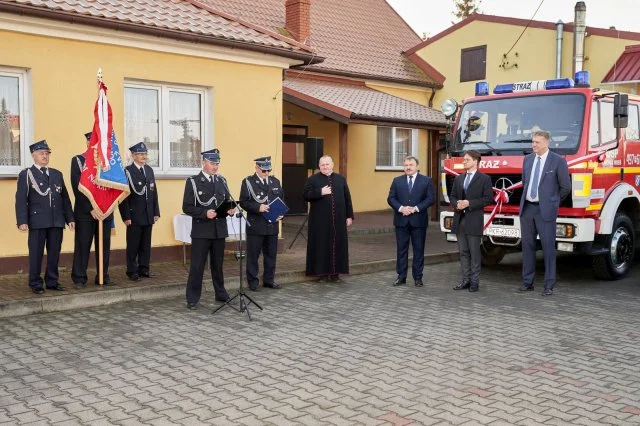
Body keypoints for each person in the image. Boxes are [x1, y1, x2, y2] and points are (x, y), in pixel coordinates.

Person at [15, 140, 75, 294]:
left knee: (54, 252)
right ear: (33, 155)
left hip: (56, 220)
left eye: (47, 153)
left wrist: (70, 218)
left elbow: (65, 199)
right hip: (37, 221)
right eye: (41, 153)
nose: (45, 156)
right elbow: (21, 199)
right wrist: (22, 221)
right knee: (36, 253)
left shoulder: (56, 174)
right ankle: (35, 283)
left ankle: (52, 281)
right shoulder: (27, 174)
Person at [183, 148, 237, 310]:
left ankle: (220, 293)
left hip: (219, 230)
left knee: (218, 265)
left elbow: (226, 201)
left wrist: (230, 209)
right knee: (197, 266)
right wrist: (204, 213)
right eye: (213, 163)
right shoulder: (193, 182)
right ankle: (192, 297)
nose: (215, 166)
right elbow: (187, 207)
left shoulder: (222, 181)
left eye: (217, 163)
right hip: (202, 230)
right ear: (204, 163)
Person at [519, 130, 571, 296]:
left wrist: (553, 202)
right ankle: (527, 283)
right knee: (527, 247)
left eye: (538, 142)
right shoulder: (527, 160)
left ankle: (548, 285)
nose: (534, 144)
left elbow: (565, 187)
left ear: (547, 143)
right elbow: (525, 182)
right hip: (527, 209)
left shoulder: (558, 161)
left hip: (545, 211)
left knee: (548, 248)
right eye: (533, 141)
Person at [71, 132, 115, 288]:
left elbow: (113, 186)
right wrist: (91, 208)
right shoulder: (78, 160)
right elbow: (78, 189)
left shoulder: (108, 162)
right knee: (83, 245)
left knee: (104, 246)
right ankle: (79, 277)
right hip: (85, 212)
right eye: (92, 141)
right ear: (87, 143)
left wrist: (108, 207)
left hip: (105, 211)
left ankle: (103, 275)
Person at [303, 155, 353, 282]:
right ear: (319, 166)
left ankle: (336, 273)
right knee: (321, 245)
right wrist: (320, 192)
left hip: (338, 219)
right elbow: (305, 195)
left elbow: (347, 198)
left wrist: (349, 216)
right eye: (322, 165)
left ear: (332, 164)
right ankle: (322, 273)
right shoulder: (313, 179)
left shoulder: (341, 179)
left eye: (327, 164)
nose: (325, 167)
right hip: (320, 221)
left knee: (338, 245)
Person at [387, 156, 435, 287]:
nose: (408, 167)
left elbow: (430, 199)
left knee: (418, 250)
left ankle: (418, 278)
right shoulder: (397, 181)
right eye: (406, 165)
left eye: (411, 165)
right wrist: (401, 208)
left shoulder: (426, 181)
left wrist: (416, 209)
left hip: (418, 221)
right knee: (401, 250)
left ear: (417, 166)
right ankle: (401, 276)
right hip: (401, 221)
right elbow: (391, 198)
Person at [449, 150, 493, 292]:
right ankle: (465, 280)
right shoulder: (459, 178)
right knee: (463, 252)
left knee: (474, 252)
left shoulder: (484, 179)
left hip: (474, 220)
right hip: (460, 219)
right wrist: (457, 204)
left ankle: (475, 282)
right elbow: (453, 196)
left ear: (475, 161)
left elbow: (488, 199)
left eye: (467, 159)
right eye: (464, 159)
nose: (464, 161)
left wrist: (469, 203)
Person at [239, 156, 284, 291]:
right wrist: (258, 208)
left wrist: (281, 214)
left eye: (268, 170)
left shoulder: (275, 181)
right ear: (257, 168)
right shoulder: (248, 182)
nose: (267, 173)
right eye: (264, 171)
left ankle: (269, 280)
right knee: (253, 255)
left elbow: (281, 199)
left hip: (272, 224)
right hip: (256, 225)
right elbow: (244, 202)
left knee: (271, 255)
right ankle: (253, 282)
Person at [118, 142, 160, 281]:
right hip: (134, 214)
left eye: (145, 154)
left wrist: (155, 212)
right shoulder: (127, 171)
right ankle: (132, 270)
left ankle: (144, 268)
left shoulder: (149, 170)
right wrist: (126, 216)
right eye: (140, 154)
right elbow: (123, 196)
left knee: (145, 244)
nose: (144, 156)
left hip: (148, 213)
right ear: (133, 155)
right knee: (133, 244)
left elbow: (154, 193)